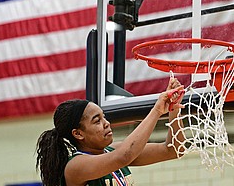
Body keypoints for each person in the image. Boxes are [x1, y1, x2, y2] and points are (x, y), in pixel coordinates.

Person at [36, 77, 185, 186]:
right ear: (78, 133)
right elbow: (124, 156)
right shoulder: (76, 165)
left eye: (104, 117)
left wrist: (174, 109)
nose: (106, 123)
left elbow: (173, 150)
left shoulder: (111, 151)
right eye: (97, 121)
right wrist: (157, 110)